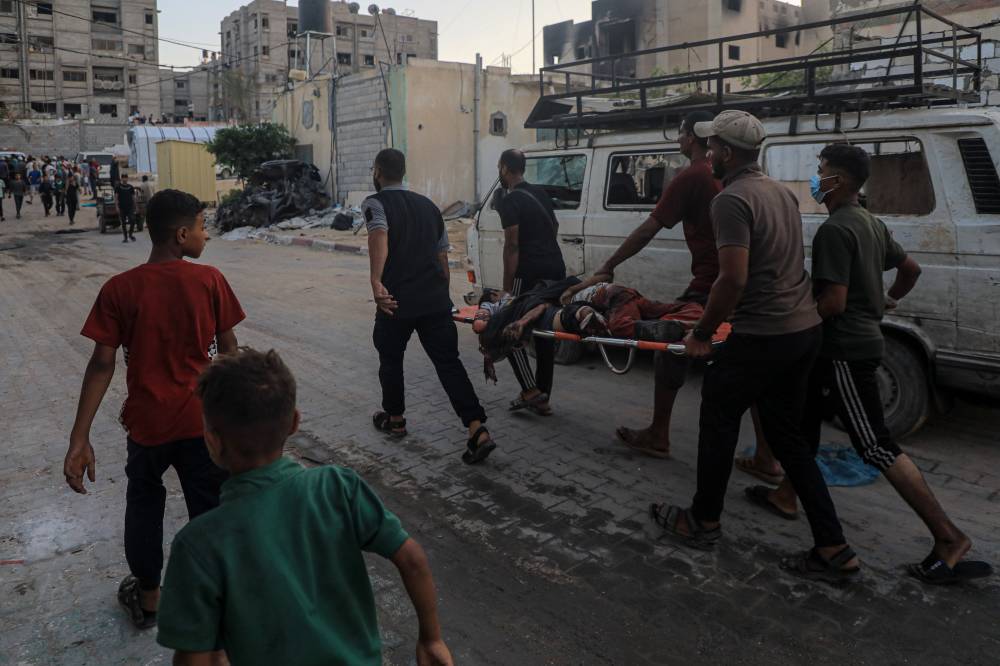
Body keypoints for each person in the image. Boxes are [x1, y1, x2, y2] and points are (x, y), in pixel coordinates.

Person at [741, 144, 993, 585]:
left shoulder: (835, 230)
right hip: (840, 347)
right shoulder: (871, 223)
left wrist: (791, 316)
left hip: (845, 352)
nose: (815, 180)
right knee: (804, 426)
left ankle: (949, 538)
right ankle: (786, 495)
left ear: (837, 181)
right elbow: (910, 269)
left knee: (875, 445)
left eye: (820, 172)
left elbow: (833, 303)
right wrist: (886, 299)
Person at [650, 110, 861, 584]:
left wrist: (701, 333)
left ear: (725, 152)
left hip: (764, 332)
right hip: (803, 329)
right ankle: (833, 546)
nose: (705, 154)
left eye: (710, 147)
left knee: (718, 416)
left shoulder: (731, 199)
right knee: (790, 439)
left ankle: (703, 521)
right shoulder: (780, 193)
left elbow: (733, 278)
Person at [155, 349, 454, 666]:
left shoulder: (198, 544)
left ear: (212, 441)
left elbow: (193, 659)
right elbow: (413, 560)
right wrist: (431, 638)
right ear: (295, 422)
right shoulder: (338, 488)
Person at [63, 189, 245, 629]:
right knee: (210, 506)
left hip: (146, 426)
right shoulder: (210, 280)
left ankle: (149, 599)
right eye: (203, 227)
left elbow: (101, 364)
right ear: (182, 235)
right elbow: (229, 351)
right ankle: (216, 596)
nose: (206, 235)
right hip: (200, 422)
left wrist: (79, 437)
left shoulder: (119, 289)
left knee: (144, 504)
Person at [562, 110, 722, 455]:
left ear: (691, 137)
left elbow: (649, 228)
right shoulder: (726, 174)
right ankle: (766, 456)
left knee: (669, 349)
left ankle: (658, 434)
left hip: (712, 284)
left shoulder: (692, 175)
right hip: (726, 282)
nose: (678, 140)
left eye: (679, 133)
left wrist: (608, 265)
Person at [365, 148, 496, 464]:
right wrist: (443, 293)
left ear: (379, 172)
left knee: (391, 359)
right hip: (434, 300)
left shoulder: (375, 202)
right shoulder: (429, 206)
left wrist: (376, 280)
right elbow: (441, 256)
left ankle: (395, 420)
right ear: (403, 171)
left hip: (395, 301)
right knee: (448, 363)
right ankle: (477, 429)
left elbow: (379, 234)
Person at [496, 148, 567, 416]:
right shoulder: (540, 193)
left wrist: (506, 288)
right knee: (544, 330)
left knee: (507, 325)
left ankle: (530, 391)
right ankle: (543, 395)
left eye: (499, 167)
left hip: (529, 272)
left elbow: (512, 245)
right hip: (555, 269)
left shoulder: (509, 200)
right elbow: (555, 226)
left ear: (504, 168)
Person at [115, 174, 137, 242]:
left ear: (127, 179)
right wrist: (117, 207)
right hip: (122, 207)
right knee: (123, 223)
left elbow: (133, 197)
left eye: (125, 178)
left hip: (130, 207)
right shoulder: (118, 187)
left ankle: (130, 234)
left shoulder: (130, 187)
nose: (124, 179)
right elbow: (116, 198)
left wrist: (136, 206)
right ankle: (125, 237)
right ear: (121, 179)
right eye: (123, 178)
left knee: (132, 220)